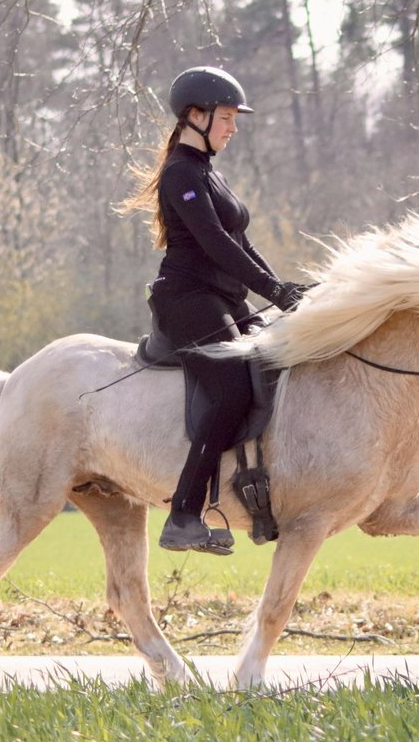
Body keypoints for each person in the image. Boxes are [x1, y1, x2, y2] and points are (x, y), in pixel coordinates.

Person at [121, 66, 308, 556]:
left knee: (279, 359)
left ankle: (263, 491)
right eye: (226, 117)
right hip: (186, 300)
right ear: (196, 117)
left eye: (233, 118)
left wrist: (283, 290)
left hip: (223, 298)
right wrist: (269, 287)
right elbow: (214, 243)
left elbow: (240, 242)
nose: (233, 127)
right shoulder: (181, 173)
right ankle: (184, 515)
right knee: (228, 387)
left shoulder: (209, 172)